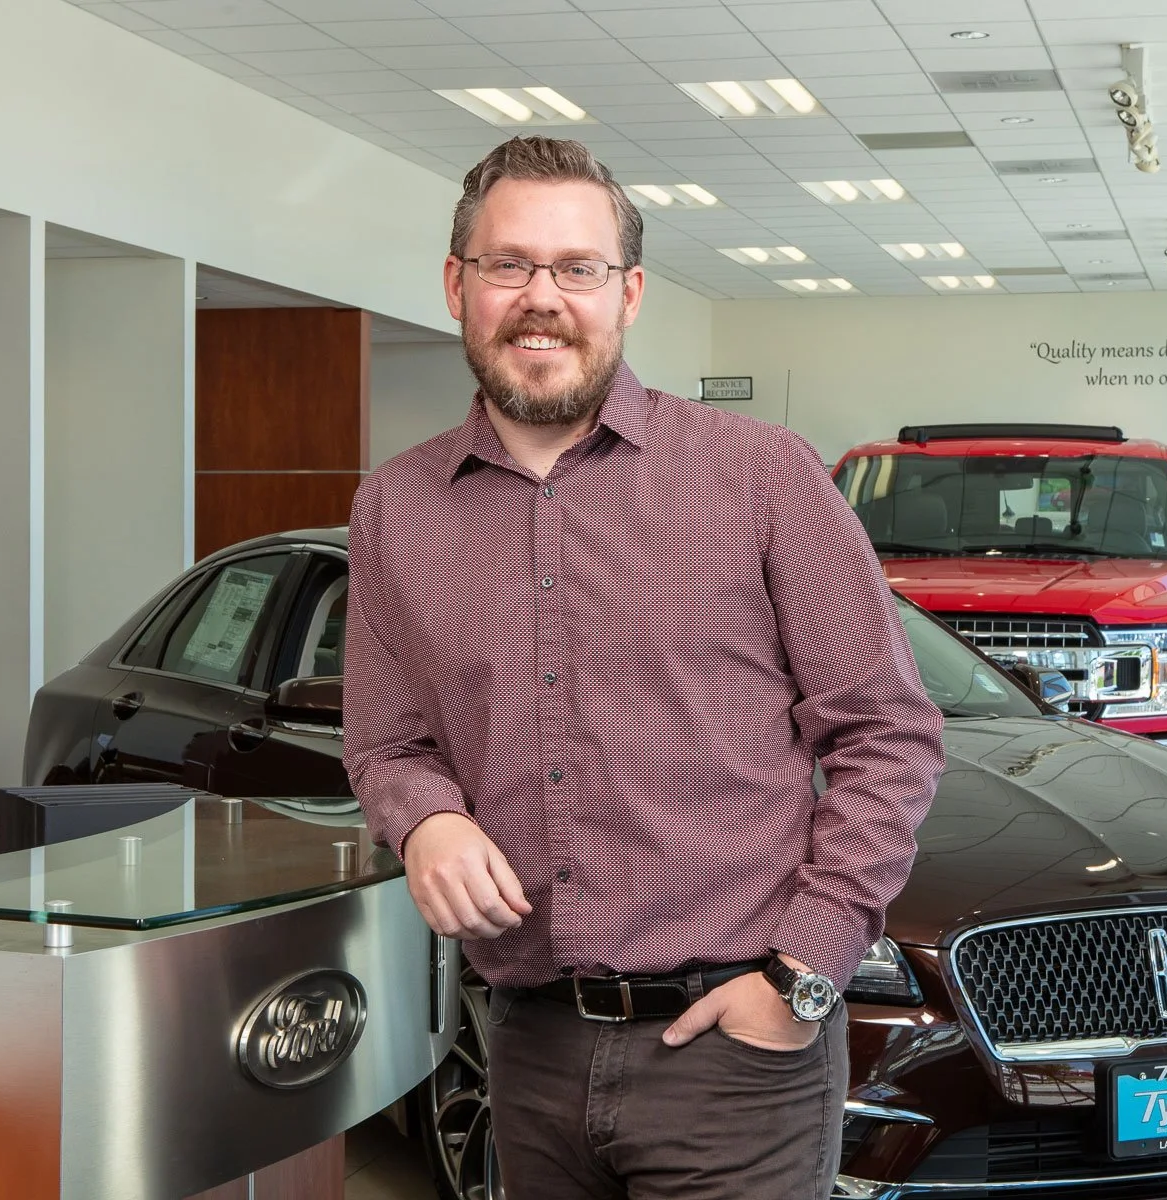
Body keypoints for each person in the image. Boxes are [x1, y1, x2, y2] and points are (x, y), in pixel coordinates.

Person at [342, 136, 947, 1200]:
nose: (542, 298)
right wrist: (425, 817)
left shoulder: (759, 476)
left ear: (626, 295)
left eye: (576, 269)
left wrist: (804, 976)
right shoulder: (396, 508)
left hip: (736, 1053)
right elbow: (389, 741)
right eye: (508, 265)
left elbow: (888, 733)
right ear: (457, 286)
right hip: (527, 1048)